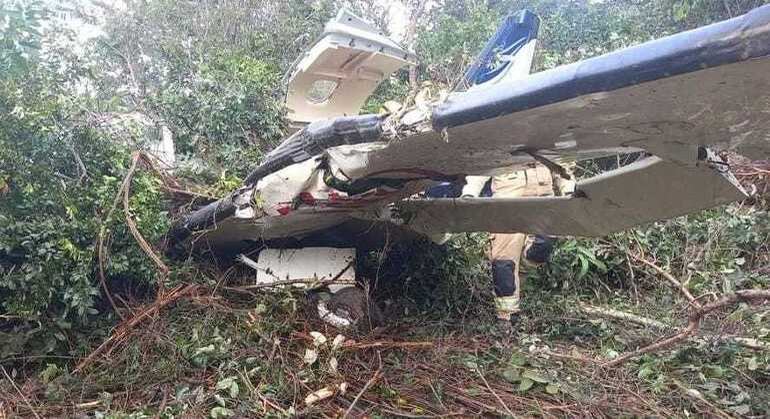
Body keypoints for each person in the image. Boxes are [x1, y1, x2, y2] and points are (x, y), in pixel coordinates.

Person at [462, 162, 574, 328]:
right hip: (507, 208)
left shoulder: (543, 146)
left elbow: (560, 166)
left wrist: (569, 188)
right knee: (504, 264)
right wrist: (470, 193)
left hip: (542, 204)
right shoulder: (498, 146)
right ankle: (506, 318)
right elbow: (482, 166)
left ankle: (520, 272)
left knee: (542, 247)